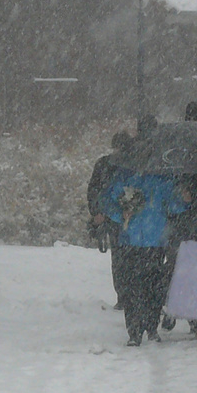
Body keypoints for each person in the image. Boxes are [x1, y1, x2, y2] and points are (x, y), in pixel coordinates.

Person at [102, 166, 191, 345]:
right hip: (130, 239)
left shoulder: (163, 179)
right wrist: (121, 215)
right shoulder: (124, 176)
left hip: (156, 240)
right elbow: (106, 201)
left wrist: (184, 199)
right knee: (132, 287)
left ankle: (151, 328)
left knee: (153, 287)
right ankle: (134, 332)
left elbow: (174, 206)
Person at [88, 131, 133, 309]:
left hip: (114, 216)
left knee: (120, 258)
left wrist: (96, 211)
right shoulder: (115, 165)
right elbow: (94, 189)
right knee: (123, 257)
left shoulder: (105, 164)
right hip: (119, 217)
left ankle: (124, 295)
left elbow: (93, 189)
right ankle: (125, 295)